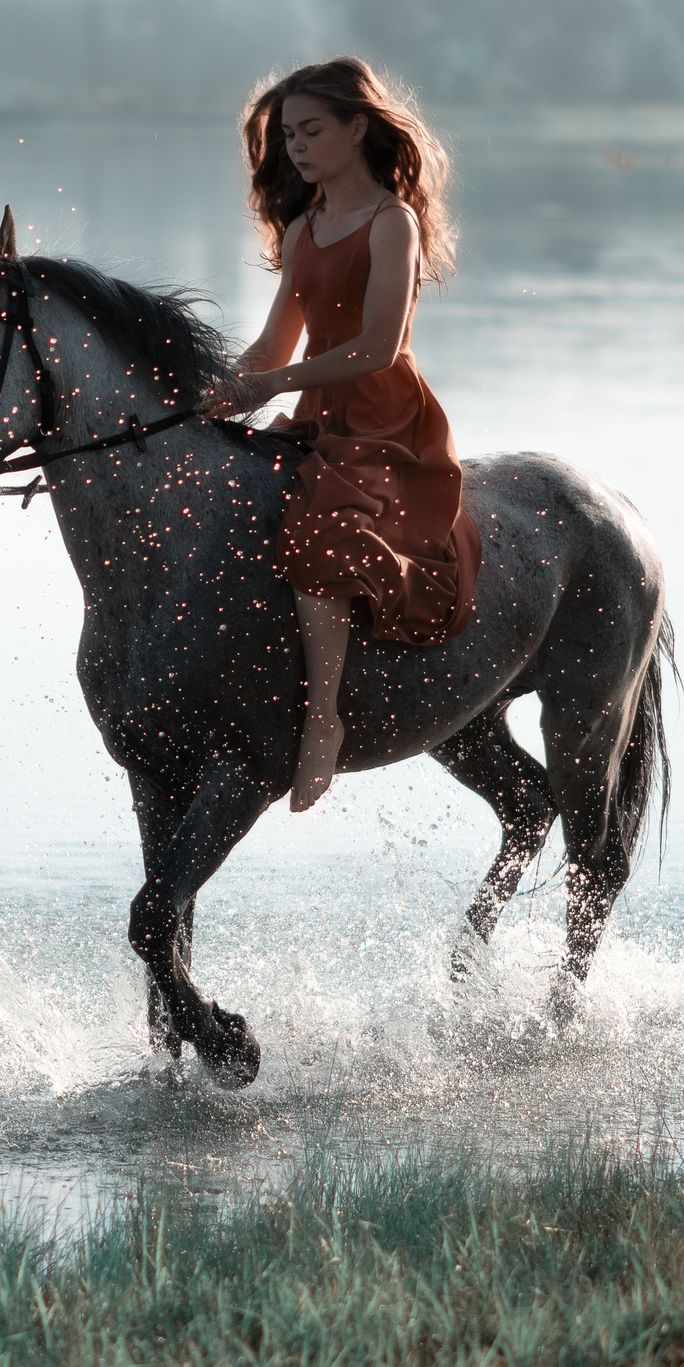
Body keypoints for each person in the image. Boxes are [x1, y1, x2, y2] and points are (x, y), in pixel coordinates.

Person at [202, 58, 483, 812]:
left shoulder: (392, 224)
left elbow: (376, 347)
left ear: (359, 127)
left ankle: (323, 717)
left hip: (385, 420)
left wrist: (273, 385)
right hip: (316, 414)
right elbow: (271, 346)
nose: (295, 145)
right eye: (287, 133)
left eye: (312, 129)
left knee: (319, 536)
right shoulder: (303, 228)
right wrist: (215, 392)